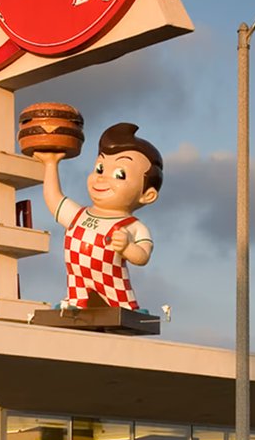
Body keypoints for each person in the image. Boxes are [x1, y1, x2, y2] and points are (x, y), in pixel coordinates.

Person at [35, 122, 162, 312]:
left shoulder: (133, 226)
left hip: (115, 291)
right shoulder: (78, 215)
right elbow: (54, 198)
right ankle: (75, 303)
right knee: (75, 300)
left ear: (147, 195)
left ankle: (126, 309)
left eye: (120, 174)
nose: (101, 178)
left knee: (121, 308)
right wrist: (51, 164)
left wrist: (128, 246)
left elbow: (142, 256)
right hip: (78, 288)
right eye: (100, 168)